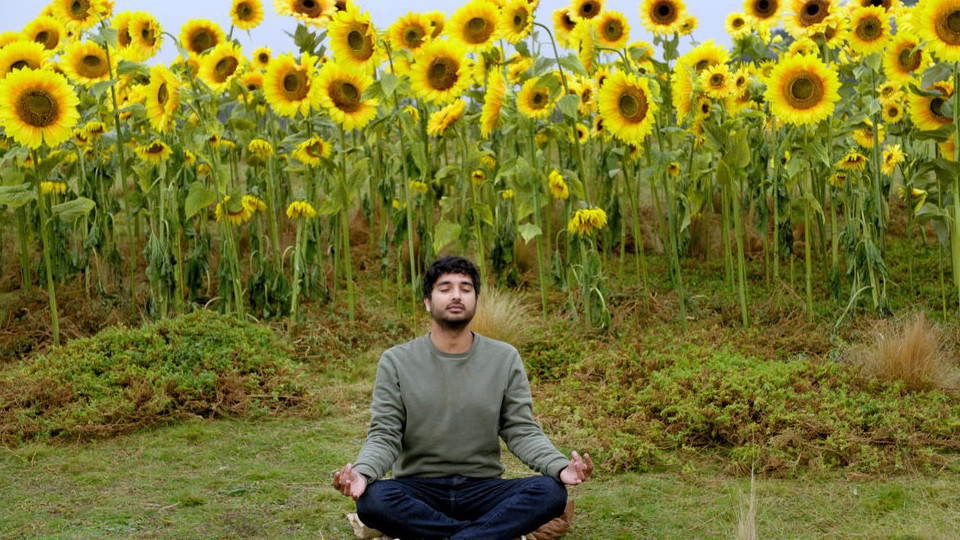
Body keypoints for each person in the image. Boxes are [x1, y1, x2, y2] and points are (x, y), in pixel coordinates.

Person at [333, 256, 593, 540]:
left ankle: (447, 534)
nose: (456, 295)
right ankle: (482, 534)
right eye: (445, 288)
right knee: (373, 500)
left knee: (551, 492)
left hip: (483, 490)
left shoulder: (504, 358)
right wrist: (363, 473)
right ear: (428, 301)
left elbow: (521, 430)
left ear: (476, 299)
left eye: (465, 288)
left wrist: (559, 466)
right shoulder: (396, 360)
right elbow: (384, 434)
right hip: (419, 490)